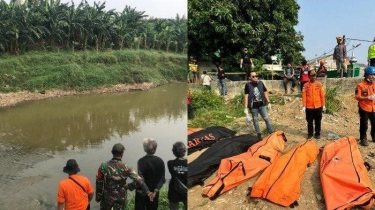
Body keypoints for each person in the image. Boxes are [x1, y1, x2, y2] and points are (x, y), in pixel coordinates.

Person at [96, 143, 148, 210]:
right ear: (122, 153)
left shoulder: (103, 166)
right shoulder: (126, 167)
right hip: (120, 196)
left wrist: (98, 196)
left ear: (111, 152)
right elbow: (140, 180)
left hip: (107, 197)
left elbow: (99, 181)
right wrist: (129, 186)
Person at [135, 138, 166, 210]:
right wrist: (155, 191)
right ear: (155, 148)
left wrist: (148, 192)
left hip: (142, 193)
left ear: (145, 149)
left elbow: (140, 179)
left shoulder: (141, 161)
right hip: (154, 193)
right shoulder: (160, 161)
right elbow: (162, 179)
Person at [244, 72, 273, 139]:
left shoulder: (260, 83)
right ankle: (259, 135)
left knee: (267, 118)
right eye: (253, 76)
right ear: (250, 78)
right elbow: (246, 96)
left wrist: (268, 102)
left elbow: (265, 92)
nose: (255, 77)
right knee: (255, 120)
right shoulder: (248, 85)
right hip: (253, 107)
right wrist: (245, 108)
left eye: (256, 76)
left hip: (262, 105)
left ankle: (271, 132)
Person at [302, 70, 326, 140]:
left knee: (318, 121)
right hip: (309, 107)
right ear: (309, 76)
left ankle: (317, 134)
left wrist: (323, 105)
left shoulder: (319, 84)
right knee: (309, 121)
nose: (314, 77)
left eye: (315, 75)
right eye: (312, 75)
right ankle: (310, 134)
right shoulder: (305, 85)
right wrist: (304, 105)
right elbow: (304, 96)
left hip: (318, 106)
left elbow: (322, 95)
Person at [354, 66, 375, 146]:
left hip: (373, 108)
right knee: (364, 124)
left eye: (374, 75)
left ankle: (374, 137)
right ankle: (363, 138)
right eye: (371, 75)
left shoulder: (374, 84)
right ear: (366, 75)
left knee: (374, 123)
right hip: (364, 107)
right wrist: (367, 97)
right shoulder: (360, 85)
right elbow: (357, 97)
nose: (373, 76)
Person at [168, 141, 188, 210]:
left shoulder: (170, 163)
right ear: (184, 151)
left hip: (174, 189)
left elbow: (172, 172)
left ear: (174, 152)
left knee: (173, 207)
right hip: (186, 189)